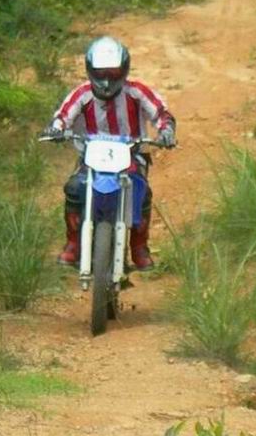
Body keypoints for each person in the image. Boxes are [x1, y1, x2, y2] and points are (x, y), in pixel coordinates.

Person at [40, 35, 176, 270]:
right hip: (91, 155)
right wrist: (56, 129)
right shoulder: (81, 94)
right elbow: (63, 116)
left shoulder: (137, 92)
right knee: (74, 189)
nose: (106, 81)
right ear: (90, 70)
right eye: (100, 74)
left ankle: (139, 246)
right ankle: (73, 243)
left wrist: (166, 132)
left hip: (132, 154)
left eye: (113, 75)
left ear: (124, 70)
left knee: (142, 192)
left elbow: (162, 113)